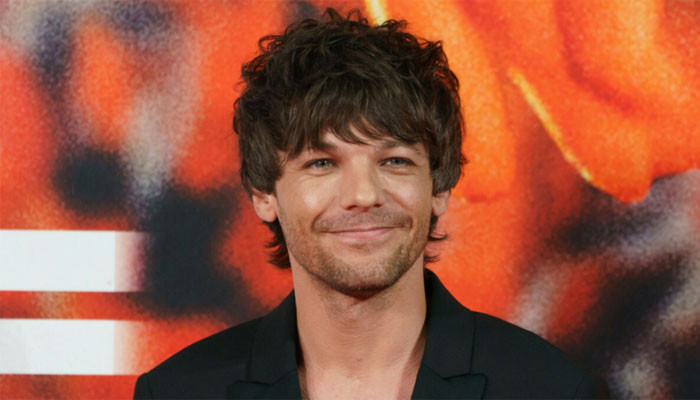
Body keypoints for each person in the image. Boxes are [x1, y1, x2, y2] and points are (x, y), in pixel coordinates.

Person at [134, 8, 607, 399]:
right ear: (264, 195)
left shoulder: (553, 391)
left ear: (440, 186)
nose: (363, 195)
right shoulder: (177, 393)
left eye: (395, 161)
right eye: (322, 163)